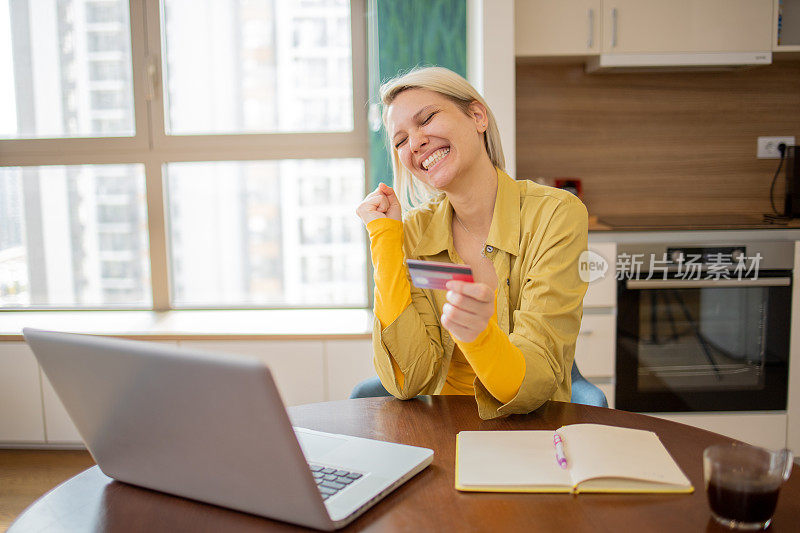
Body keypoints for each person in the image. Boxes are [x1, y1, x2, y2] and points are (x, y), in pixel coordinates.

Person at [354, 66, 588, 420]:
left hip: (527, 432)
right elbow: (406, 380)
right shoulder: (414, 233)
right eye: (400, 140)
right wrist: (385, 241)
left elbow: (535, 384)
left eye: (427, 118)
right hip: (440, 429)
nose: (414, 142)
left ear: (477, 116)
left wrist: (480, 335)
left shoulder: (554, 216)